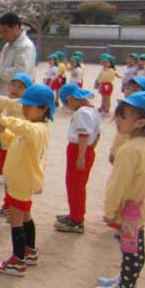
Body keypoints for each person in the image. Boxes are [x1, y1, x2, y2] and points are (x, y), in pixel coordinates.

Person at [95, 92, 145, 288]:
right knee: (134, 247)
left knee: (130, 250)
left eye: (123, 116)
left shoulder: (130, 150)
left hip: (129, 210)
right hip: (141, 206)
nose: (117, 120)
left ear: (140, 122)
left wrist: (110, 211)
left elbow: (117, 185)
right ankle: (125, 281)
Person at [0, 85, 55, 277]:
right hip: (22, 179)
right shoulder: (32, 128)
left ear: (43, 108)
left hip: (22, 180)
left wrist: (5, 119)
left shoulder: (37, 129)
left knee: (16, 219)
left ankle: (17, 261)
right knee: (25, 216)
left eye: (29, 106)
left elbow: (23, 128)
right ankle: (30, 251)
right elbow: (15, 139)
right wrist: (4, 131)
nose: (24, 109)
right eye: (24, 105)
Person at [54, 83, 101, 234]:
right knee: (77, 185)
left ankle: (76, 220)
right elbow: (97, 134)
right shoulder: (93, 110)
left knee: (75, 186)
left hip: (78, 150)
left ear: (70, 99)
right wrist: (89, 150)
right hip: (86, 149)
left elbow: (83, 135)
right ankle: (75, 214)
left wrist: (81, 157)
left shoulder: (82, 113)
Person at [0, 73, 33, 211]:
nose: (15, 88)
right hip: (5, 144)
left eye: (20, 87)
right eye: (13, 84)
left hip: (16, 147)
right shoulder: (8, 103)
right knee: (7, 178)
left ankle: (13, 208)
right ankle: (8, 206)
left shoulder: (20, 104)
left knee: (14, 180)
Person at [108, 76, 145, 164]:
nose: (129, 92)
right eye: (127, 88)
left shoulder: (139, 118)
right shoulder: (125, 112)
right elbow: (118, 136)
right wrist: (113, 150)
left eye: (135, 89)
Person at [0, 13, 37, 95]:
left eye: (5, 31)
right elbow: (1, 66)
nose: (3, 35)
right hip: (3, 92)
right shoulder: (7, 45)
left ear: (16, 28)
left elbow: (21, 72)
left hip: (15, 94)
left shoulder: (26, 46)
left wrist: (0, 74)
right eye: (1, 32)